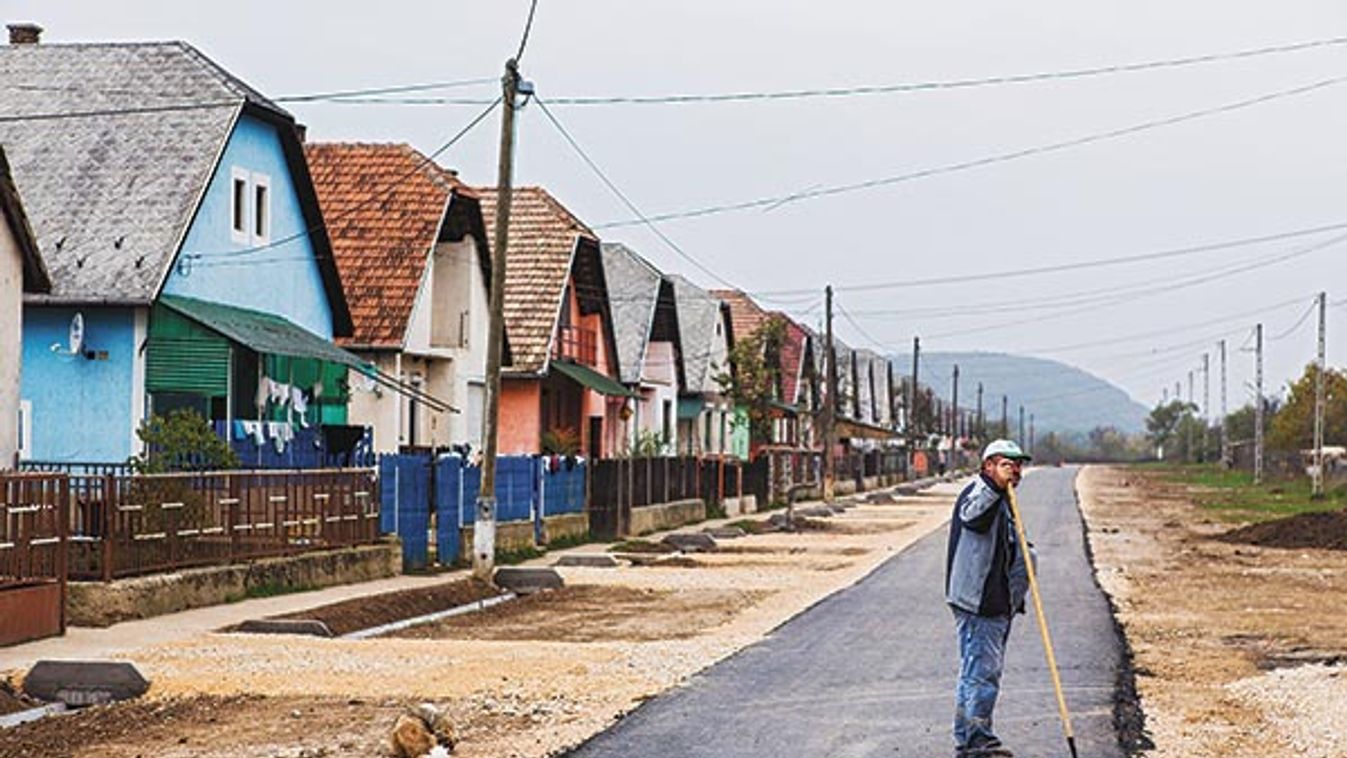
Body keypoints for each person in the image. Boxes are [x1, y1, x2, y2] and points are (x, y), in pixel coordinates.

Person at [944, 439, 1032, 757]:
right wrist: (996, 487)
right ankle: (977, 741)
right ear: (988, 466)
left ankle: (970, 738)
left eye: (1018, 464)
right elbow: (972, 516)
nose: (1015, 470)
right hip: (978, 602)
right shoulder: (981, 493)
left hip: (996, 603)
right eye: (1007, 464)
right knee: (982, 672)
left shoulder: (1004, 500)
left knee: (977, 670)